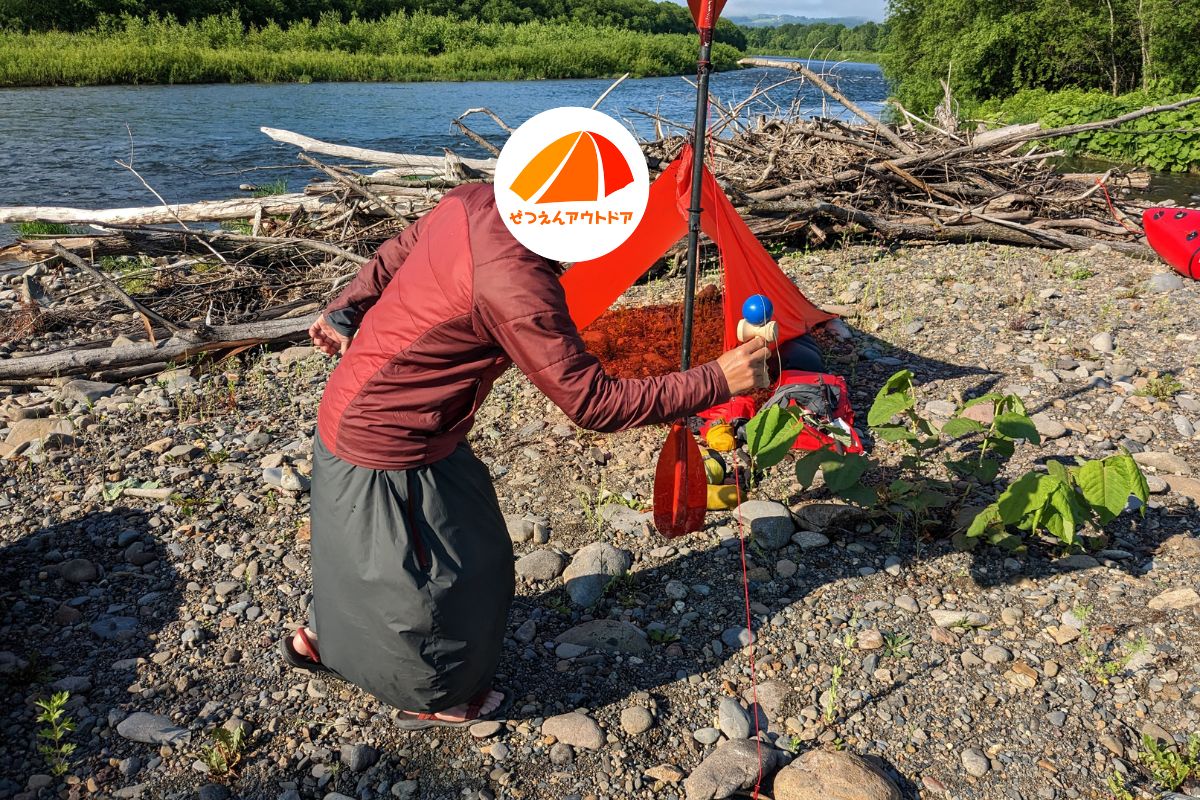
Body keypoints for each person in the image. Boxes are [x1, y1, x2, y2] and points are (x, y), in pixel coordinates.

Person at [280, 183, 771, 729]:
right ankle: (428, 693)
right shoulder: (520, 283)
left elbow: (394, 252)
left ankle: (343, 639)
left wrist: (345, 311)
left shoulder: (472, 200)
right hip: (385, 443)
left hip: (390, 413)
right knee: (436, 582)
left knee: (397, 554)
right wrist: (716, 379)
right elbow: (592, 402)